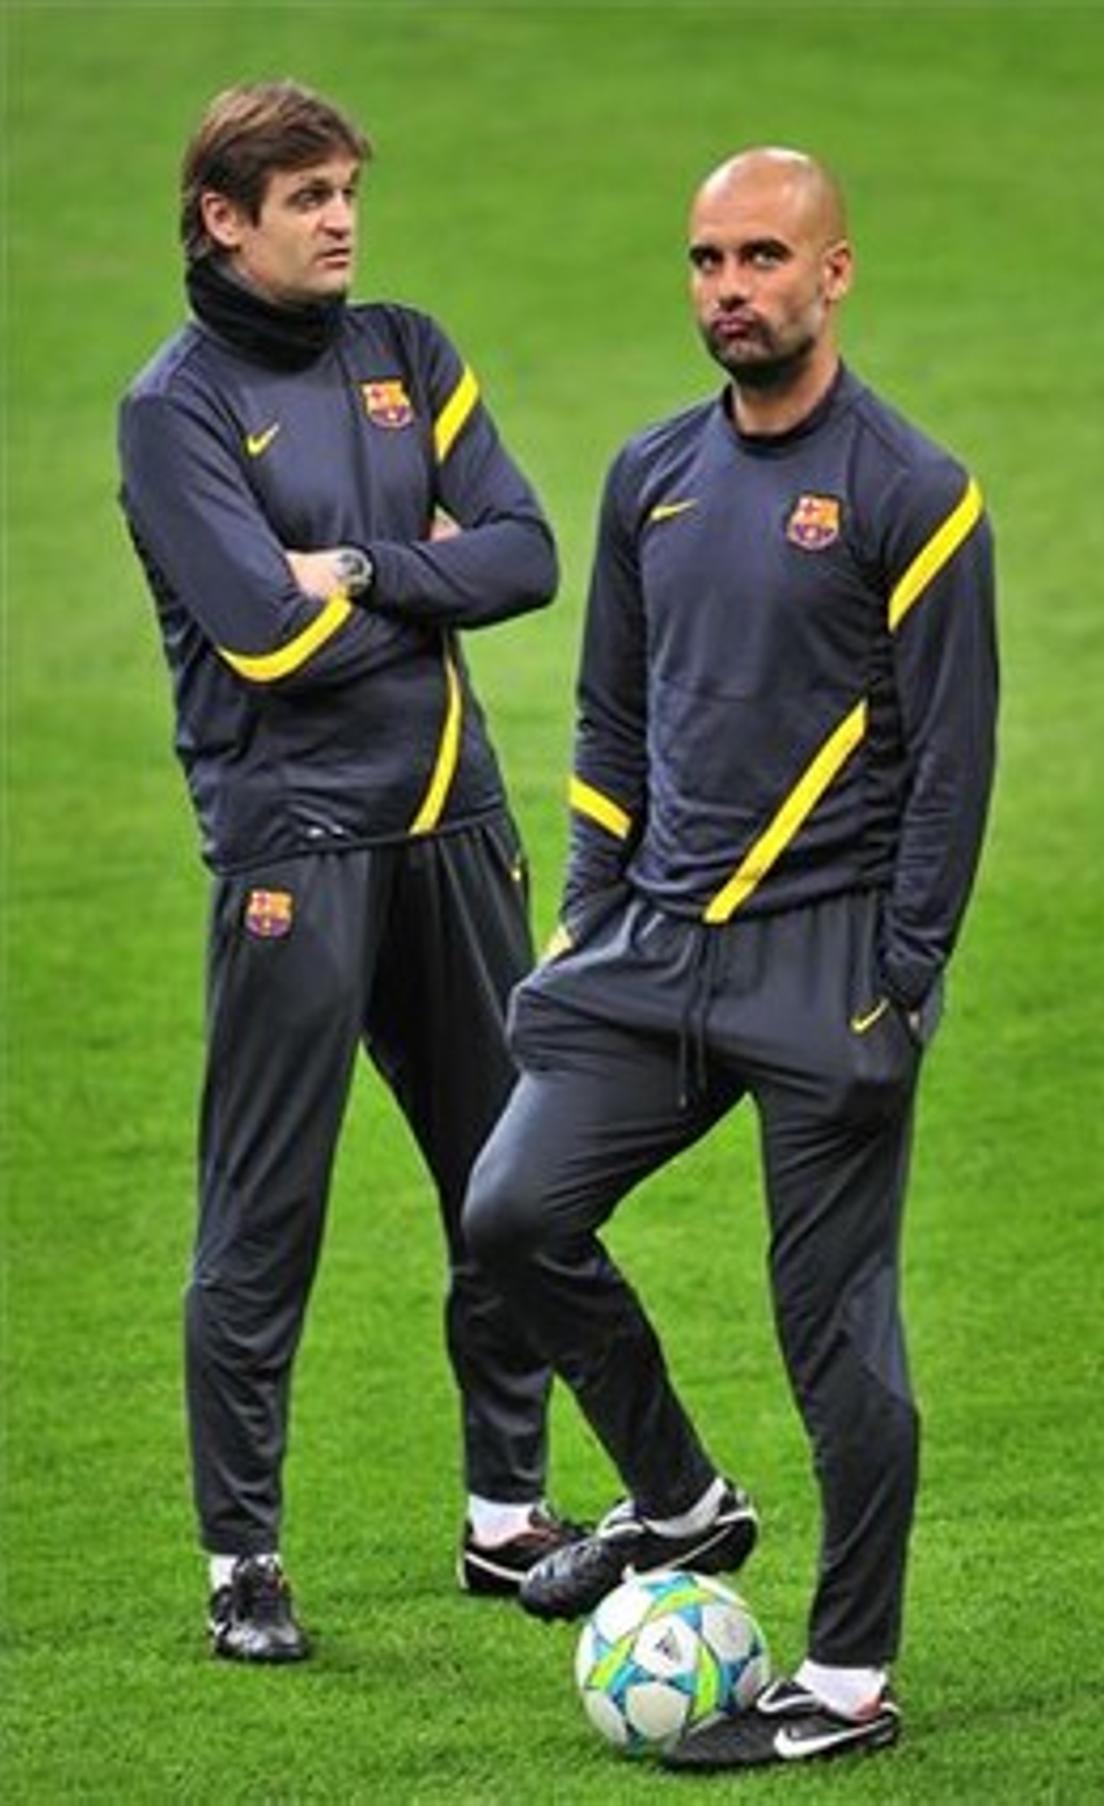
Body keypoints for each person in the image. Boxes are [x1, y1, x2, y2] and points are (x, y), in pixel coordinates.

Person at [464, 147, 998, 1768]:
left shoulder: (914, 491)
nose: (730, 291)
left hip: (824, 963)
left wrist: (900, 979)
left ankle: (846, 1679)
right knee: (512, 1213)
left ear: (835, 274)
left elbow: (949, 766)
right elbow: (613, 715)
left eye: (763, 258)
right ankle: (683, 1502)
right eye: (706, 261)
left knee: (830, 1328)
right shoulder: (652, 476)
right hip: (650, 949)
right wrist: (586, 906)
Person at [117, 80, 585, 1664]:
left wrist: (375, 566)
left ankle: (505, 1513)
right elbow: (263, 630)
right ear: (222, 219)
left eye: (344, 193)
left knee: (510, 1189)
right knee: (266, 1212)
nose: (339, 219)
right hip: (294, 852)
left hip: (458, 821)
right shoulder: (170, 408)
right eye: (304, 196)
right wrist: (414, 596)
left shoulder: (409, 351)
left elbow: (526, 550)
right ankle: (243, 1557)